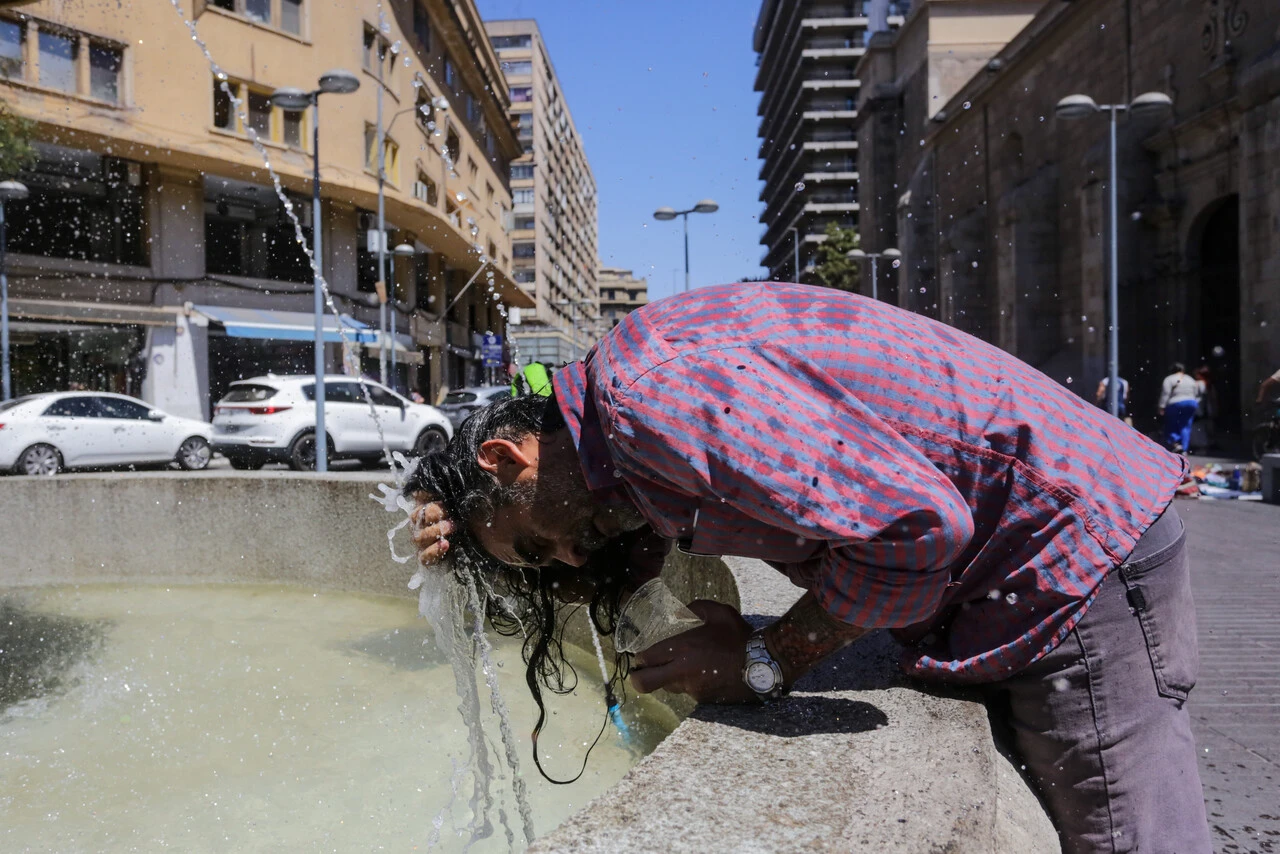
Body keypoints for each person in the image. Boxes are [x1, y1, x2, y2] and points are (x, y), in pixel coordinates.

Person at [406, 283, 1210, 854]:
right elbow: (649, 515)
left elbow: (915, 531)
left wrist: (763, 662)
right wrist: (447, 514)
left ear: (507, 456)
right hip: (1052, 554)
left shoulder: (649, 401)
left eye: (541, 545)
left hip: (1073, 562)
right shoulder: (624, 400)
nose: (572, 557)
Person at [1158, 363, 1200, 454]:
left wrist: (1162, 406)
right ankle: (1184, 448)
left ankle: (1176, 443)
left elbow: (1166, 393)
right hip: (1191, 403)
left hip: (1175, 403)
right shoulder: (1190, 379)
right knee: (1185, 426)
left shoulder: (1169, 379)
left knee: (1171, 424)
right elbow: (1196, 392)